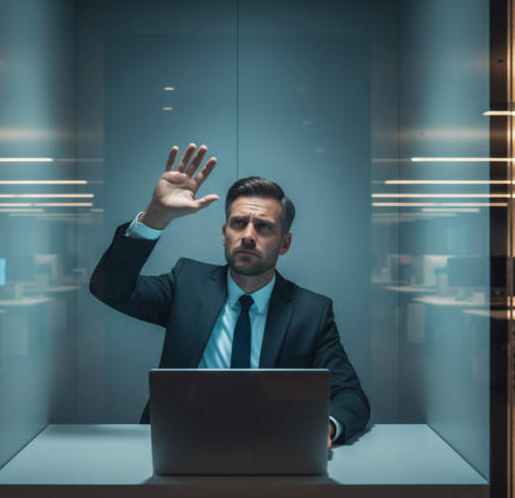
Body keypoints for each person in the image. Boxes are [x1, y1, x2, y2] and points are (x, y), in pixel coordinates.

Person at [90, 143, 370, 447]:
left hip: (270, 449)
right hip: (179, 442)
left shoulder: (312, 312)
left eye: (263, 226)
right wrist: (155, 217)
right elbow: (110, 288)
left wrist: (325, 427)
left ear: (285, 243)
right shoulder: (186, 284)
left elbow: (349, 395)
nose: (248, 235)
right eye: (239, 223)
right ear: (225, 234)